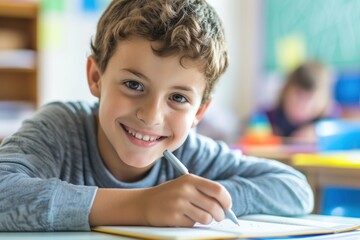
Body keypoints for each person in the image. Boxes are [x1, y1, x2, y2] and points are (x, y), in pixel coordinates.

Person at [0, 0, 313, 231]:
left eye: (178, 98)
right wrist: (143, 205)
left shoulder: (190, 152)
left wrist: (202, 202)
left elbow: (295, 190)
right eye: (134, 85)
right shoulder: (61, 128)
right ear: (96, 77)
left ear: (199, 112)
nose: (151, 116)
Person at [264, 60, 336, 143]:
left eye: (309, 98)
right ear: (285, 91)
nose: (302, 104)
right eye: (298, 95)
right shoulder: (268, 119)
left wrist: (320, 133)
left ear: (322, 100)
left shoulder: (327, 123)